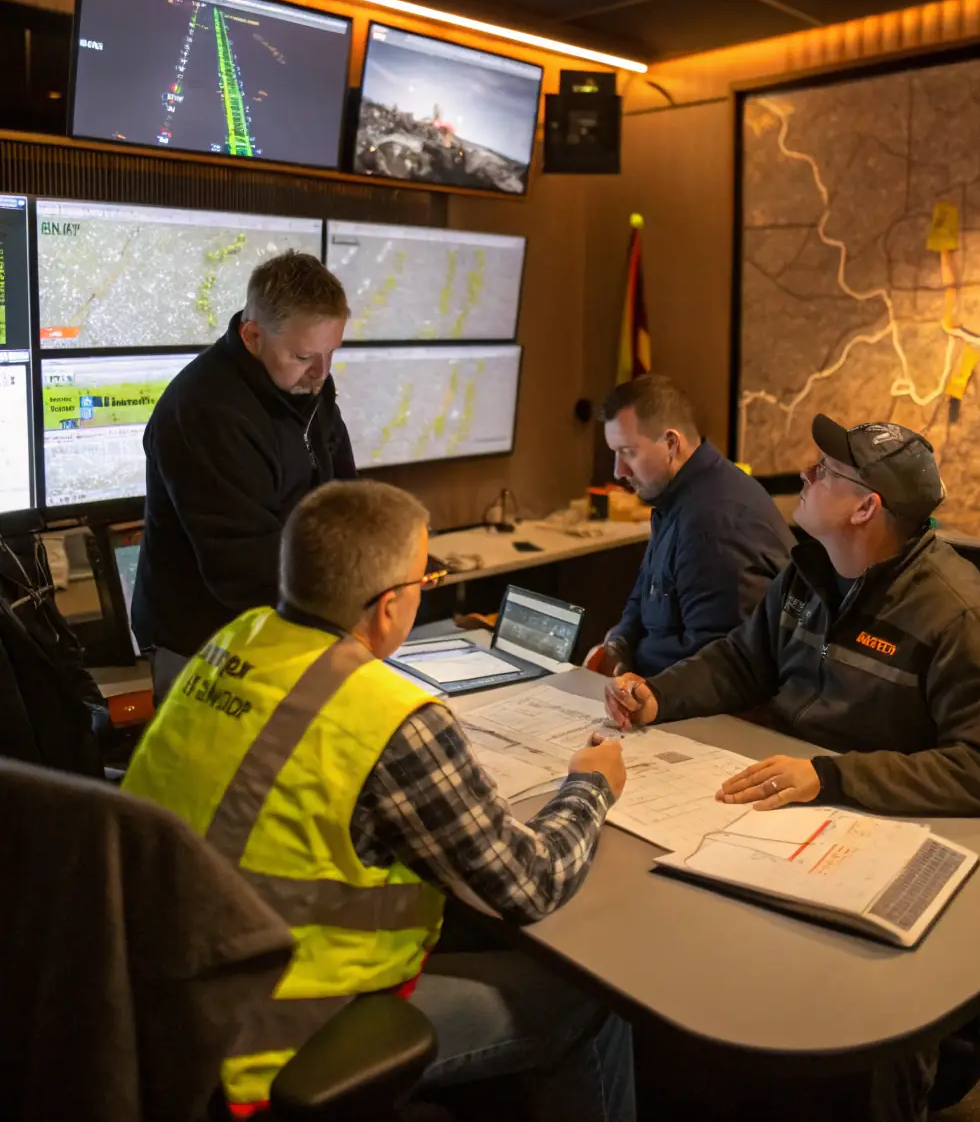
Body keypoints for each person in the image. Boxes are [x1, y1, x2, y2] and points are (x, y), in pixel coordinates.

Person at [123, 479, 634, 1122]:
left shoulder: (235, 643)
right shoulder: (387, 716)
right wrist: (591, 786)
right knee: (589, 1001)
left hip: (161, 1007)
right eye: (428, 581)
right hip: (279, 1045)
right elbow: (531, 884)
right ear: (389, 606)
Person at [606, 413, 980, 1122]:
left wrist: (833, 776)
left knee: (847, 1045)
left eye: (826, 472)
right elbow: (745, 659)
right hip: (792, 814)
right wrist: (658, 696)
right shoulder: (809, 572)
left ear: (866, 508)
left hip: (888, 842)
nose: (804, 474)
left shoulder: (960, 616)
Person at [132, 251, 357, 703]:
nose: (321, 373)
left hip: (284, 620)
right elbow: (241, 566)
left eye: (331, 353)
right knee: (214, 773)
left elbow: (345, 497)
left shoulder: (304, 385)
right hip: (208, 641)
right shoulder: (203, 412)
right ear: (252, 335)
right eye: (303, 356)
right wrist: (351, 603)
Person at [588, 374, 793, 677]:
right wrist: (620, 643)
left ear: (671, 444)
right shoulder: (674, 497)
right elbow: (648, 594)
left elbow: (715, 663)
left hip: (712, 711)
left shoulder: (714, 525)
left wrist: (634, 667)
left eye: (628, 452)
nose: (619, 470)